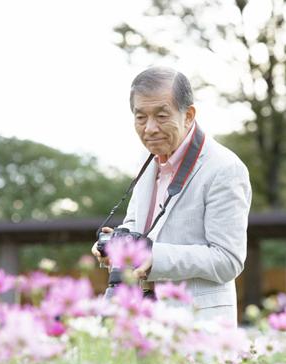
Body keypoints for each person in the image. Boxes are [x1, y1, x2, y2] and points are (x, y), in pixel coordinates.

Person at [92, 66, 252, 327]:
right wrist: (117, 243)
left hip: (199, 328)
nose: (150, 128)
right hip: (141, 324)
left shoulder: (225, 168)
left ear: (188, 115)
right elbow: (137, 226)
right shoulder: (148, 162)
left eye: (161, 116)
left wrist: (154, 257)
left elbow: (228, 260)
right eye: (140, 117)